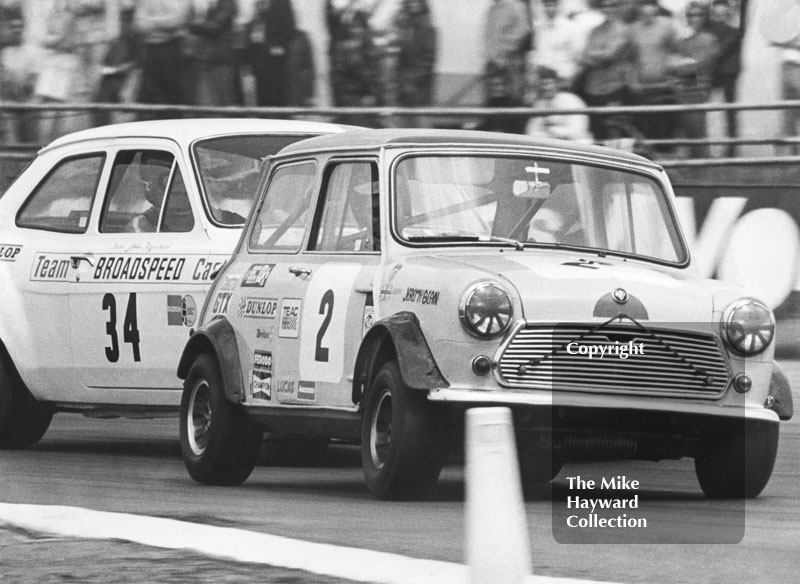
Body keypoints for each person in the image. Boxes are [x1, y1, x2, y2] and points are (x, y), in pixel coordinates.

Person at [34, 0, 108, 141]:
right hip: (55, 62)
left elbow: (65, 38)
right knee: (50, 109)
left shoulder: (72, 16)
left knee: (68, 113)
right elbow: (46, 37)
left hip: (70, 62)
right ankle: (43, 146)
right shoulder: (55, 12)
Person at [628, 0, 682, 152]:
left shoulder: (667, 26)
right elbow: (629, 59)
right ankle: (648, 156)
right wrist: (632, 81)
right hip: (642, 85)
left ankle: (668, 158)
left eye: (651, 10)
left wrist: (673, 77)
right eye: (643, 11)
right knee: (646, 122)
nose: (647, 14)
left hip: (664, 84)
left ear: (656, 9)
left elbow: (675, 51)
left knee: (665, 121)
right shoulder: (632, 29)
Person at [576, 0, 634, 141]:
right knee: (598, 134)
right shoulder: (595, 30)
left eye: (613, 4)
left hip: (614, 89)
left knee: (618, 134)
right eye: (605, 5)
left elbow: (610, 55)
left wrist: (593, 55)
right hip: (593, 90)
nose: (609, 8)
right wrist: (598, 55)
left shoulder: (623, 29)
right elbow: (582, 57)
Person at [675, 1, 719, 158]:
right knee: (685, 130)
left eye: (698, 15)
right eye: (691, 15)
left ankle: (703, 162)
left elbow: (700, 64)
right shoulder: (682, 40)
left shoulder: (709, 39)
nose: (694, 18)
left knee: (698, 129)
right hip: (681, 90)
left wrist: (684, 65)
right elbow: (675, 63)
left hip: (699, 89)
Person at [134, 0, 194, 112]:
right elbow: (139, 24)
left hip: (172, 48)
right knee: (152, 94)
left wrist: (151, 21)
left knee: (174, 94)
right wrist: (161, 21)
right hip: (150, 49)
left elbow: (176, 21)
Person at [482, 0, 532, 133]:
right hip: (493, 65)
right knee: (493, 104)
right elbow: (489, 36)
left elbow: (523, 31)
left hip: (511, 64)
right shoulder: (493, 8)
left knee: (512, 104)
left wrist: (504, 53)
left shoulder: (516, 6)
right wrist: (493, 58)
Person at [187, 0, 243, 106]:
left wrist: (189, 25)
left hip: (222, 59)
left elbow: (214, 28)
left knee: (225, 99)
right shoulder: (216, 5)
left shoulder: (226, 3)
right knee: (213, 100)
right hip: (213, 57)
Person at [708, 0, 741, 156]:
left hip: (727, 73)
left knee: (730, 111)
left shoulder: (733, 32)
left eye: (722, 14)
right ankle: (703, 148)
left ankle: (732, 148)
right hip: (712, 72)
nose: (719, 16)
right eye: (717, 14)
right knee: (704, 111)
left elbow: (719, 51)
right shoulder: (709, 30)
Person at [525, 65, 593, 144]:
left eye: (548, 83)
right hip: (549, 143)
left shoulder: (571, 100)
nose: (545, 88)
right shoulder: (539, 104)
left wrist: (551, 131)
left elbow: (577, 129)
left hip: (575, 143)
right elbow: (531, 131)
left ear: (557, 84)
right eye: (542, 84)